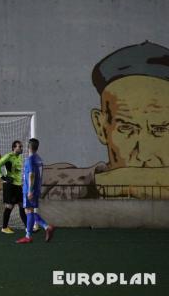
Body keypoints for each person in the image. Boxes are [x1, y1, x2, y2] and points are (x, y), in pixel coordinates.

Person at [43, 41, 169, 199]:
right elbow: (37, 180)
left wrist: (128, 180)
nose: (143, 154)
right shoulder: (71, 181)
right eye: (127, 128)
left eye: (160, 129)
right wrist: (102, 181)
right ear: (100, 127)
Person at [16, 138, 55, 244]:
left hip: (30, 190)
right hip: (36, 189)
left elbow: (31, 175)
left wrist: (29, 190)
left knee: (28, 211)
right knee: (29, 211)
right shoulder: (39, 159)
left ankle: (44, 228)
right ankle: (30, 234)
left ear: (28, 147)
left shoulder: (30, 159)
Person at [0, 140, 27, 234]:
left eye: (21, 146)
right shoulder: (8, 156)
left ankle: (28, 227)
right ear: (14, 148)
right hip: (10, 186)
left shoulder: (19, 157)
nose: (21, 148)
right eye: (19, 146)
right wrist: (3, 177)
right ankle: (4, 227)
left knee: (22, 206)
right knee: (9, 206)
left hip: (18, 186)